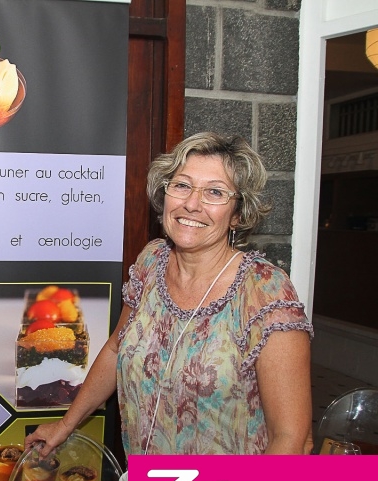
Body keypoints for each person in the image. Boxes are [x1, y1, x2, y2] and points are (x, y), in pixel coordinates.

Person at [26, 132, 313, 459]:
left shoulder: (264, 289)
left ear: (238, 214)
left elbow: (293, 440)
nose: (192, 203)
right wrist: (65, 425)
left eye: (215, 192)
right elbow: (116, 348)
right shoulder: (151, 261)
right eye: (182, 185)